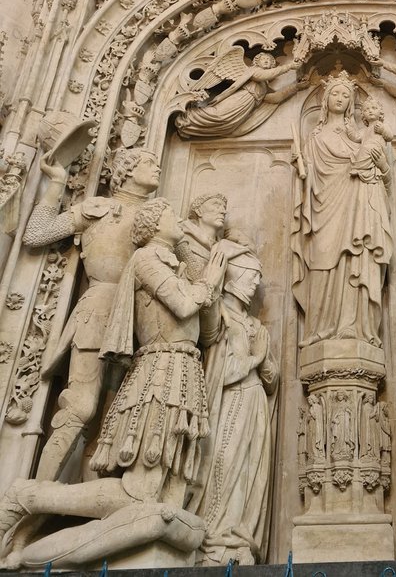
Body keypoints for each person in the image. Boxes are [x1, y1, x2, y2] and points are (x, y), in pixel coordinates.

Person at [0, 199, 226, 566]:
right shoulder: (146, 260)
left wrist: (207, 285)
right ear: (154, 226)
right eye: (171, 214)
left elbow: (210, 331)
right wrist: (207, 285)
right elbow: (184, 306)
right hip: (158, 373)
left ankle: (33, 553)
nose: (179, 219)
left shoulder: (180, 268)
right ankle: (29, 497)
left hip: (186, 375)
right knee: (141, 493)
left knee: (170, 502)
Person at [22, 148, 161, 481]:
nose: (157, 168)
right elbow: (36, 234)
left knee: (112, 420)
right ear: (126, 170)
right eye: (149, 163)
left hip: (141, 318)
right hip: (99, 309)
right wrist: (57, 183)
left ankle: (82, 504)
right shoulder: (97, 209)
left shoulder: (160, 216)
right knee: (81, 407)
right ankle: (32, 492)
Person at [292, 73, 392, 346]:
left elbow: (385, 180)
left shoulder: (363, 136)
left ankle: (356, 329)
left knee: (356, 261)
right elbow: (307, 180)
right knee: (321, 261)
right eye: (335, 93)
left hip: (359, 206)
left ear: (352, 103)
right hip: (324, 209)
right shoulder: (314, 137)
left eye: (346, 95)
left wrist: (382, 164)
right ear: (326, 99)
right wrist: (301, 168)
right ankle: (319, 330)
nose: (340, 98)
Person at [195, 245, 278, 565]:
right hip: (229, 403)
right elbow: (222, 371)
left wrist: (265, 364)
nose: (256, 283)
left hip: (255, 403)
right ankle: (216, 540)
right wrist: (255, 359)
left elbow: (272, 379)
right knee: (223, 465)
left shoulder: (255, 325)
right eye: (251, 275)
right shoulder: (221, 317)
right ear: (232, 278)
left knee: (251, 473)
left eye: (258, 276)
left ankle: (241, 538)